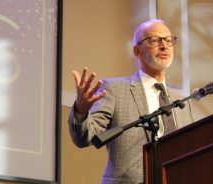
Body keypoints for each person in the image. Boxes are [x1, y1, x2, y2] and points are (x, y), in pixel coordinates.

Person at [68, 19, 195, 184]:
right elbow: (84, 138)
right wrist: (81, 111)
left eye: (168, 40)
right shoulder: (115, 89)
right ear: (137, 51)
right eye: (154, 40)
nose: (164, 45)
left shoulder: (182, 98)